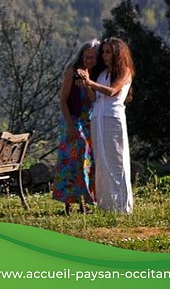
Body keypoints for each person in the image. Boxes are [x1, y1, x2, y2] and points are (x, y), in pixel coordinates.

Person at [77, 37, 135, 214]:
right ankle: (106, 205)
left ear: (117, 53)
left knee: (116, 160)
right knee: (102, 161)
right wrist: (86, 86)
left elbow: (112, 91)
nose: (105, 55)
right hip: (98, 118)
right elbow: (95, 98)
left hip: (113, 118)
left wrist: (90, 82)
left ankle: (122, 206)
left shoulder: (125, 71)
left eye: (108, 52)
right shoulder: (103, 74)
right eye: (104, 52)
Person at [52, 39, 101, 215]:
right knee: (70, 160)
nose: (90, 61)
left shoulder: (93, 74)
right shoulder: (71, 71)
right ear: (82, 55)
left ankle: (84, 202)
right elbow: (63, 101)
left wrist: (87, 84)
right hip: (71, 120)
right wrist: (70, 126)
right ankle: (67, 204)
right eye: (87, 57)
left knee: (87, 161)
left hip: (87, 120)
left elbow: (93, 99)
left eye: (94, 57)